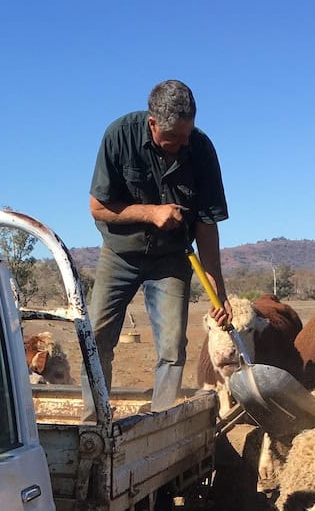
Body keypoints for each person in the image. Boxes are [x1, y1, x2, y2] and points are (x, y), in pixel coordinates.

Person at [83, 79, 230, 420]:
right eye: (174, 137)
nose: (183, 143)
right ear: (152, 123)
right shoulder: (119, 136)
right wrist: (151, 212)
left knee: (172, 347)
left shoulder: (201, 150)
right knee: (96, 338)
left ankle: (161, 424)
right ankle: (93, 422)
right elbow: (98, 207)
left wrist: (218, 293)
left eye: (187, 134)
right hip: (119, 254)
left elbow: (207, 227)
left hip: (172, 259)